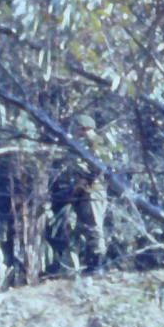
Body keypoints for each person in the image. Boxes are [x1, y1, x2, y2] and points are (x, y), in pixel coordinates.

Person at [64, 113, 111, 273]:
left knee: (95, 226)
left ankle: (98, 264)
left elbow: (99, 168)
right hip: (86, 191)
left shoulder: (96, 143)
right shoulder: (86, 144)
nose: (77, 132)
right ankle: (92, 262)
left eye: (78, 128)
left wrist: (85, 181)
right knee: (87, 227)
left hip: (93, 191)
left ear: (84, 128)